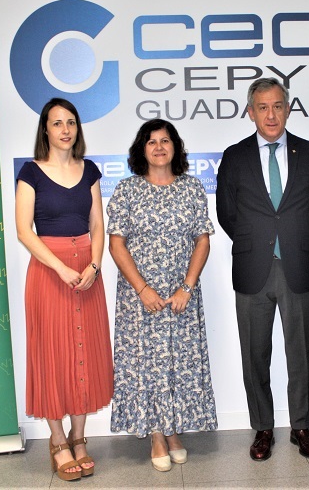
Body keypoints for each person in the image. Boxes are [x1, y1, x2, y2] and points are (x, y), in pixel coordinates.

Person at [216, 78, 309, 461]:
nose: (271, 114)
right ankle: (263, 428)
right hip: (253, 268)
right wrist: (258, 241)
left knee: (301, 352)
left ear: (288, 109)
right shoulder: (235, 156)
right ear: (251, 112)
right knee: (255, 354)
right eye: (263, 107)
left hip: (298, 265)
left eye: (278, 106)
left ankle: (301, 426)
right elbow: (227, 213)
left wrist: (296, 239)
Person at [108, 118, 217, 472]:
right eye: (151, 141)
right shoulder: (127, 189)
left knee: (177, 363)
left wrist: (187, 286)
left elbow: (202, 240)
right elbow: (116, 244)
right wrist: (142, 289)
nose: (159, 147)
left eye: (165, 140)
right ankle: (156, 434)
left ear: (175, 147)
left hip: (181, 295)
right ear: (142, 149)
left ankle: (173, 431)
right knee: (146, 364)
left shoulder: (192, 188)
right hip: (139, 297)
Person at [15, 98, 113, 481]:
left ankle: (79, 436)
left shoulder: (90, 171)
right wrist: (59, 267)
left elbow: (98, 225)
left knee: (83, 351)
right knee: (52, 354)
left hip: (87, 271)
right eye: (57, 123)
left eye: (71, 122)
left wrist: (94, 265)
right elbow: (24, 231)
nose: (65, 129)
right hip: (48, 271)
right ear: (46, 129)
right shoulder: (31, 172)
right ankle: (57, 440)